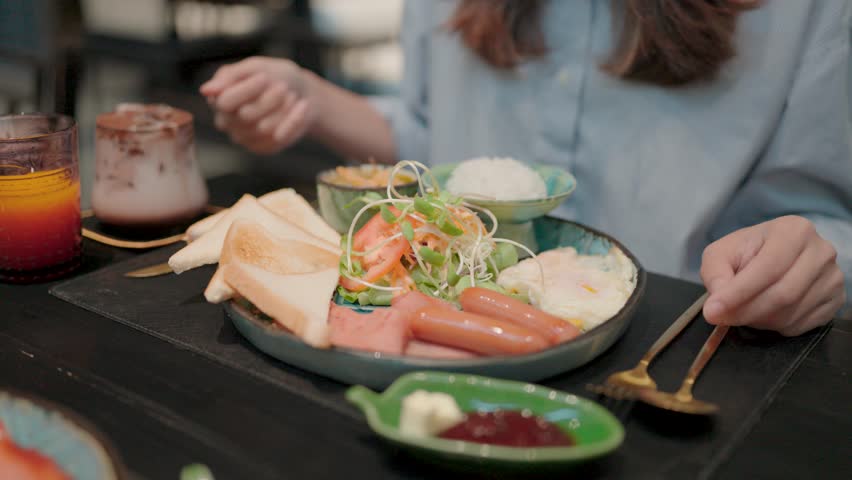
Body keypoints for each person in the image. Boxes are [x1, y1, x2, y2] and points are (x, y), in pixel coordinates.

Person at [200, 0, 851, 336]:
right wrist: (313, 100)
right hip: (442, 346)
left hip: (677, 349)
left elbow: (829, 217)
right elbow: (440, 148)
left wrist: (816, 265)